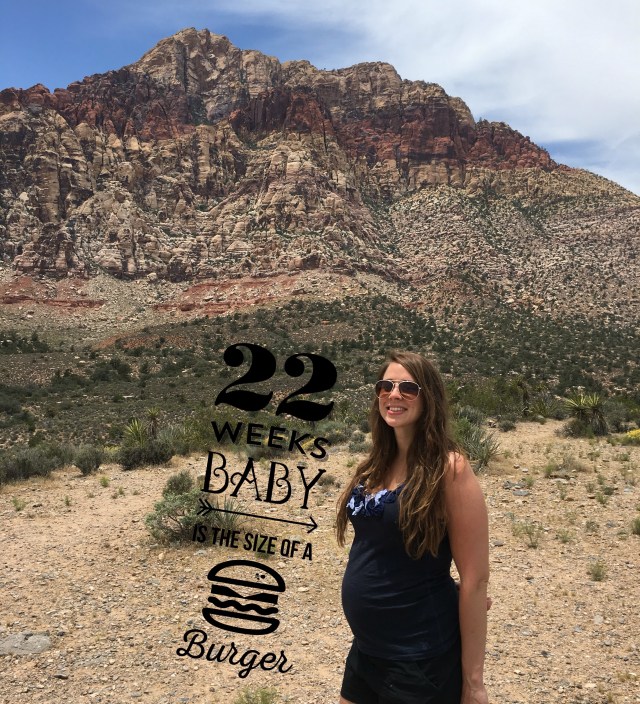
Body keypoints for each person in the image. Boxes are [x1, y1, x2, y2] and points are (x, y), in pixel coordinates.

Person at [336, 351, 490, 704]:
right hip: (367, 649)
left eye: (408, 387)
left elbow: (476, 579)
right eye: (385, 386)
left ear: (428, 397)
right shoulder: (376, 463)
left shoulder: (449, 470)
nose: (394, 394)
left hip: (418, 658)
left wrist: (474, 683)